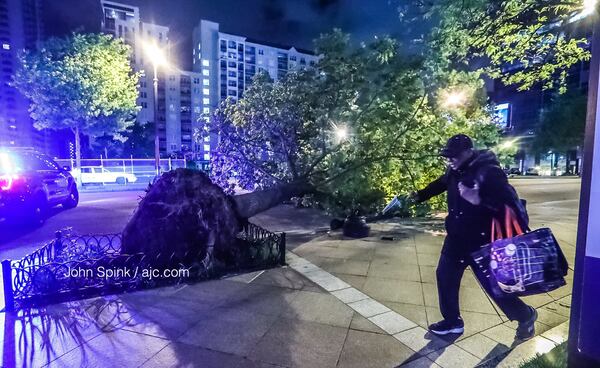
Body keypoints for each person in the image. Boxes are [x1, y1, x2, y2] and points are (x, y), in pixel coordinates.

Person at [410, 134, 537, 341]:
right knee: (445, 277)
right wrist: (421, 195)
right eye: (447, 156)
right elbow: (442, 183)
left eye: (454, 156)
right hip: (456, 238)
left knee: (496, 289)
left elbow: (510, 205)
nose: (450, 160)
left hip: (483, 243)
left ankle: (526, 316)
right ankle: (452, 322)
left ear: (469, 152)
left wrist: (479, 199)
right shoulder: (454, 169)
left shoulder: (489, 172)